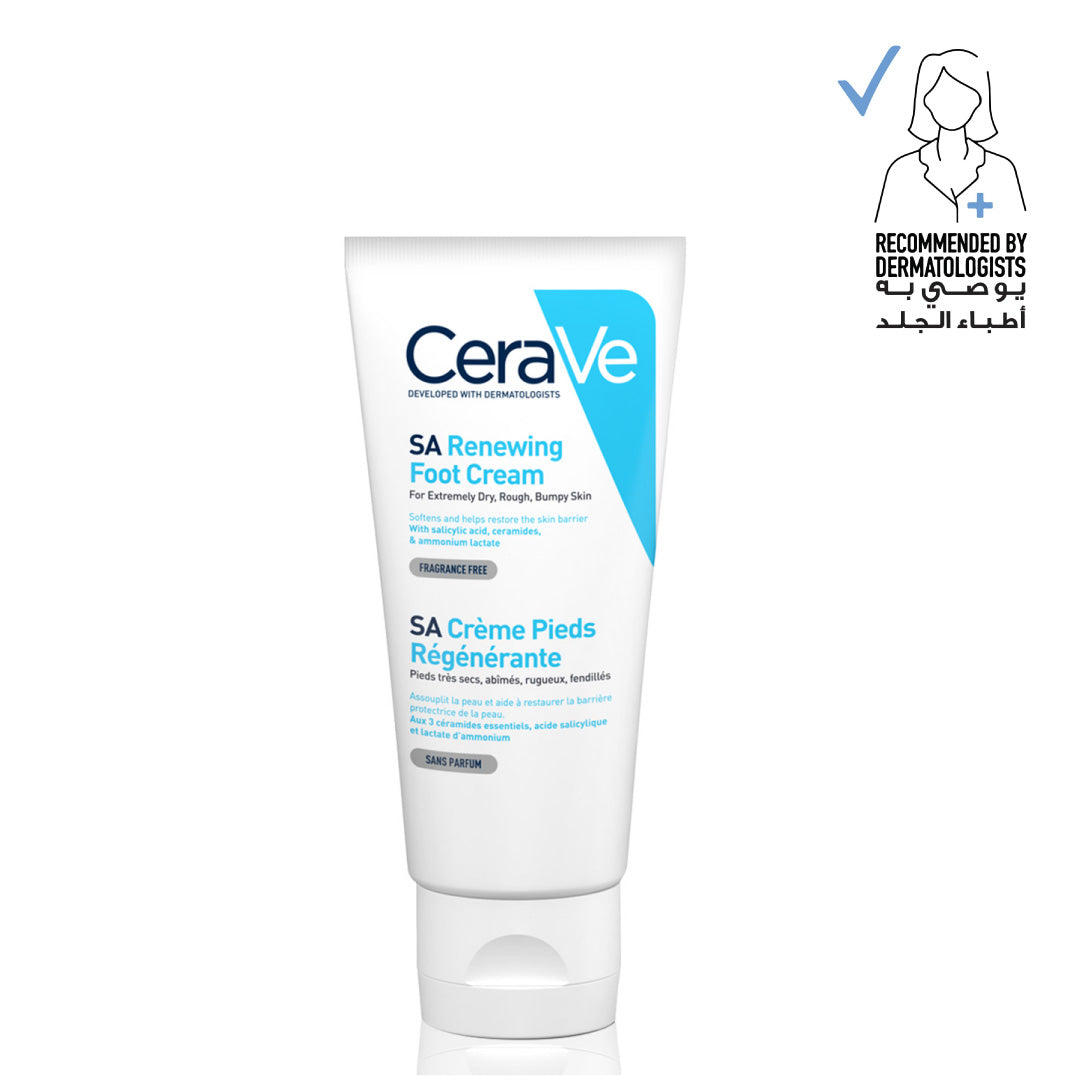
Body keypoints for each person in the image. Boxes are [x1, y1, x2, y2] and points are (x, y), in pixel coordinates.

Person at [875, 50, 1025, 224]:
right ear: (925, 101)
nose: (951, 103)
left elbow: (1020, 231)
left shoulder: (1001, 170)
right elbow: (883, 233)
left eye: (964, 95)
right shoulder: (901, 171)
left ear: (979, 101)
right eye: (939, 94)